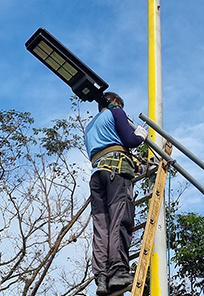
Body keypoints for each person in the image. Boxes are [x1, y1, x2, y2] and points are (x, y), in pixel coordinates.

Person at [85, 92, 148, 295]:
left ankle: (101, 277)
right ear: (114, 103)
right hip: (116, 174)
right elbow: (129, 141)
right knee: (120, 220)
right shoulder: (116, 113)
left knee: (101, 227)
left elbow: (110, 148)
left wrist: (139, 167)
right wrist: (140, 135)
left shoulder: (90, 127)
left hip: (97, 175)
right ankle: (119, 270)